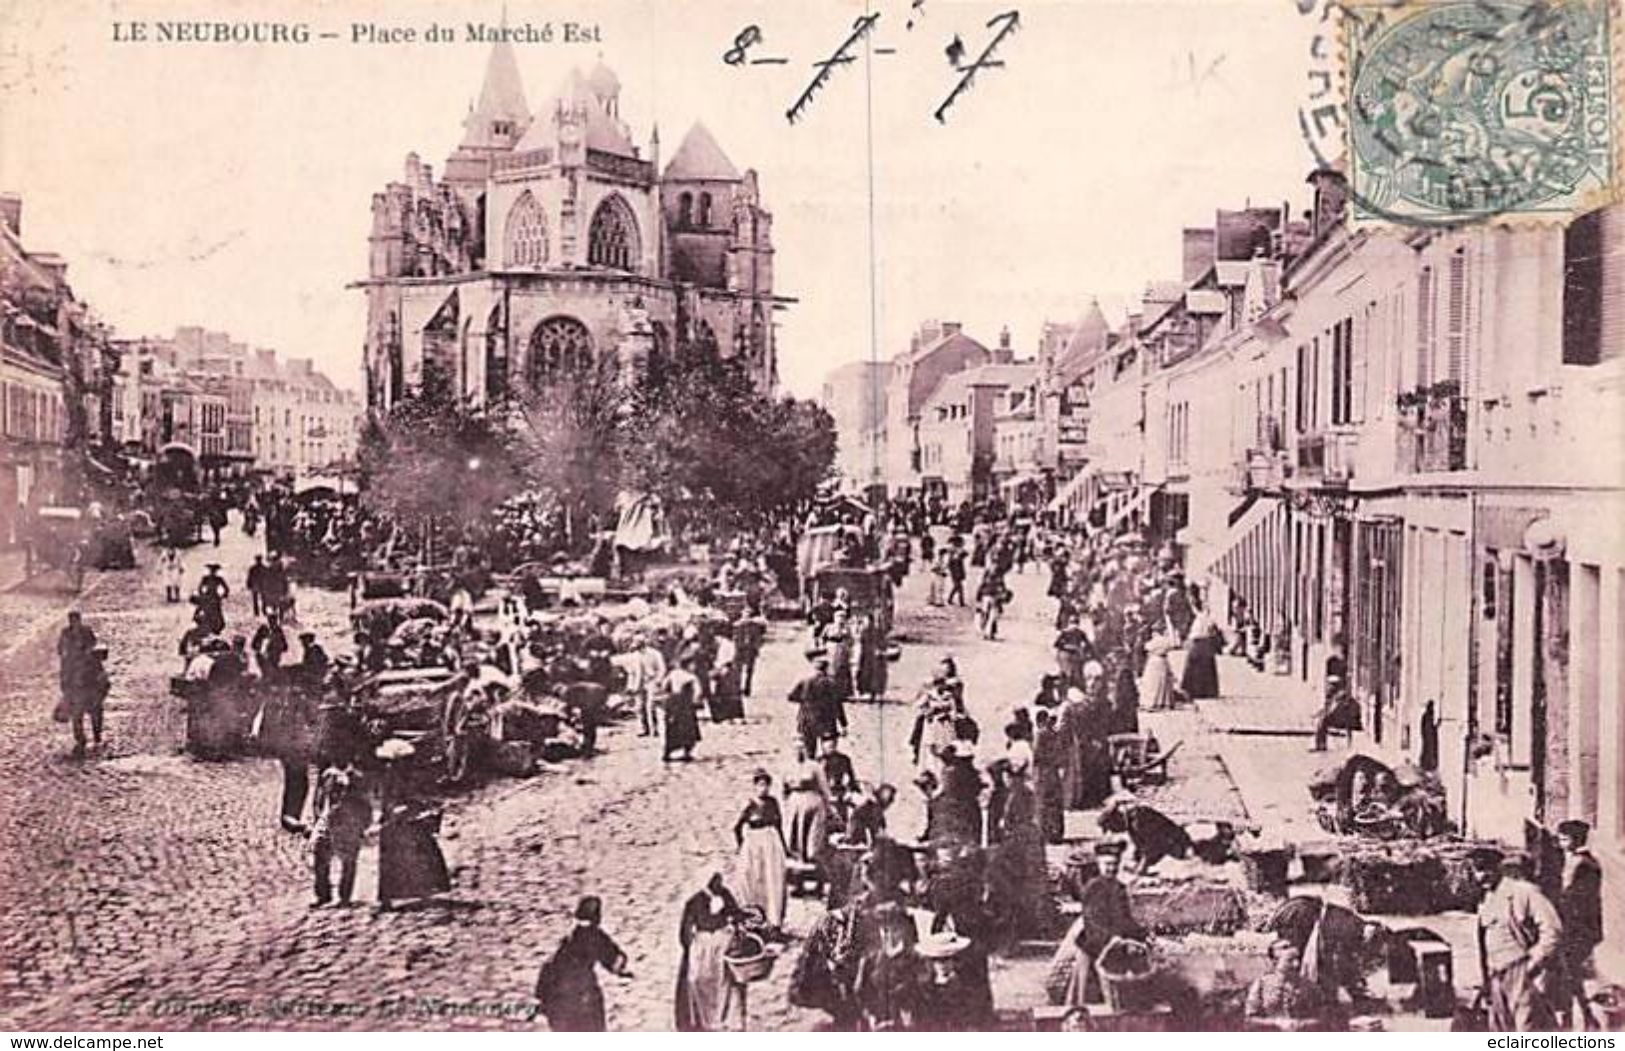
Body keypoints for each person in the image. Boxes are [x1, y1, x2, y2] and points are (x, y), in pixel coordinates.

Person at [1472, 849, 1563, 1031]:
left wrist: (1534, 964)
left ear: (1499, 868)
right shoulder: (1487, 898)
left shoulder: (1523, 892)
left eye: (1486, 869)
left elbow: (1552, 930)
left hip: (1522, 971)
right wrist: (1486, 980)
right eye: (1477, 870)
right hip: (1496, 974)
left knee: (1528, 1030)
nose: (1481, 876)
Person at [1261, 894, 1383, 1010]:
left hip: (1307, 920)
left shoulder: (1350, 924)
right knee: (1297, 961)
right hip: (1303, 919)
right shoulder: (1350, 926)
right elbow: (1339, 960)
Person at [536, 896, 632, 1032]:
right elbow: (614, 959)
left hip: (559, 997)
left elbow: (549, 967)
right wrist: (622, 971)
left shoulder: (569, 937)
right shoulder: (595, 936)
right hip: (584, 996)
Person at [375, 743, 452, 911]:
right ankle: (388, 897)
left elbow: (411, 795)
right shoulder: (390, 777)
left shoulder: (404, 776)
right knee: (394, 860)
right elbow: (387, 800)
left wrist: (418, 805)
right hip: (394, 821)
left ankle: (420, 892)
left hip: (405, 819)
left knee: (414, 856)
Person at [675, 873, 742, 1031]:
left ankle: (717, 1019)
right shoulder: (695, 901)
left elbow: (736, 914)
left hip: (719, 943)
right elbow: (685, 932)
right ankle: (711, 1019)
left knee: (716, 981)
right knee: (704, 980)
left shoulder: (723, 896)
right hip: (706, 945)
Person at [1555, 820, 1604, 1029]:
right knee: (1570, 975)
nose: (1560, 842)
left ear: (1576, 840)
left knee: (1568, 974)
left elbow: (1578, 900)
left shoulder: (1585, 865)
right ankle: (1585, 1018)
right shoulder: (1576, 861)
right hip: (1575, 926)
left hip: (1579, 927)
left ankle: (1578, 1019)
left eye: (1564, 839)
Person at [733, 769, 789, 934]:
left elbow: (779, 825)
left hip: (771, 841)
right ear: (755, 786)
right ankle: (754, 919)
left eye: (766, 785)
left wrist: (784, 848)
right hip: (754, 842)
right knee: (752, 880)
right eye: (760, 785)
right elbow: (736, 828)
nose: (763, 789)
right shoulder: (750, 804)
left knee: (773, 880)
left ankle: (775, 921)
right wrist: (742, 846)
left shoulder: (773, 803)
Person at [310, 761, 371, 908]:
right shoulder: (328, 775)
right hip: (328, 820)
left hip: (348, 823)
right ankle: (323, 895)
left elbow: (365, 804)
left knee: (348, 861)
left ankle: (345, 896)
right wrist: (318, 817)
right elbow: (319, 799)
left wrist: (362, 825)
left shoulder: (357, 778)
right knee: (320, 855)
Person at [1245, 939, 1321, 1024]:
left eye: (1297, 959)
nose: (1296, 964)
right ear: (1275, 961)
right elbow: (1250, 1018)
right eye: (1290, 960)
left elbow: (1322, 1018)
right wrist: (1276, 1023)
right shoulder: (1261, 985)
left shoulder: (1308, 986)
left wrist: (1302, 1023)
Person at [789, 653, 845, 758]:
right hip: (827, 721)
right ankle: (826, 771)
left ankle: (811, 770)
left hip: (807, 720)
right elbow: (838, 705)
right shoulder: (831, 684)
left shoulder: (805, 681)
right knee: (828, 751)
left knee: (810, 752)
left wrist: (805, 702)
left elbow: (791, 697)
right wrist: (843, 724)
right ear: (826, 669)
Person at [785, 746, 831, 867]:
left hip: (812, 800)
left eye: (801, 748)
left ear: (805, 749)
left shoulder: (814, 766)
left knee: (812, 835)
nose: (798, 751)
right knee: (795, 831)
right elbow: (784, 789)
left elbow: (824, 787)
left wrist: (828, 806)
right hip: (795, 801)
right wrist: (787, 803)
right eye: (795, 748)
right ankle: (798, 857)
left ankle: (812, 857)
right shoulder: (788, 767)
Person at [64, 644, 111, 758]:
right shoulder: (92, 666)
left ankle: (83, 738)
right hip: (87, 695)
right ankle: (94, 737)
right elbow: (103, 683)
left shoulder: (81, 663)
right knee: (93, 715)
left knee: (79, 717)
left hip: (82, 695)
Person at [661, 653, 704, 762]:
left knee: (672, 726)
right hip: (685, 704)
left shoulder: (673, 673)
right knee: (687, 727)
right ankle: (687, 751)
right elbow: (698, 692)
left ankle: (668, 751)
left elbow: (664, 685)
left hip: (673, 702)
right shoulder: (691, 677)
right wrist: (696, 702)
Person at [734, 602, 768, 697]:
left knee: (749, 671)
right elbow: (735, 638)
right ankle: (738, 688)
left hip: (750, 650)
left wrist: (756, 648)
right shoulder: (738, 626)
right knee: (738, 671)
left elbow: (758, 638)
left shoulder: (755, 626)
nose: (746, 616)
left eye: (748, 614)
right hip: (740, 650)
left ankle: (747, 689)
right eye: (745, 613)